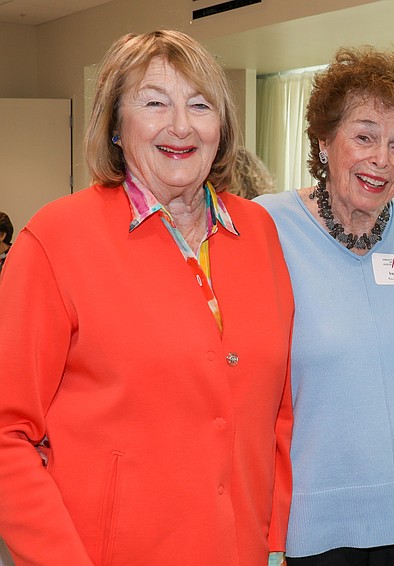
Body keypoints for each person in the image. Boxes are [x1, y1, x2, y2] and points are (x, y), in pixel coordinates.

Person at [0, 30, 295, 565]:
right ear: (115, 126)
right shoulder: (57, 240)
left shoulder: (258, 232)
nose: (180, 125)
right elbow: (7, 434)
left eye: (200, 105)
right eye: (155, 103)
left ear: (222, 127)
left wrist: (273, 541)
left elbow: (277, 409)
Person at [255, 46, 394, 565]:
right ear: (324, 141)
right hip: (316, 509)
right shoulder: (268, 226)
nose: (382, 159)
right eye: (364, 136)